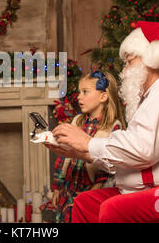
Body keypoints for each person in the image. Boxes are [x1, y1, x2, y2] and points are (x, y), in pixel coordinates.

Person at [48, 21, 159, 223]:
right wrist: (82, 152)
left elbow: (144, 149)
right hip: (154, 190)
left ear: (152, 58)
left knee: (114, 208)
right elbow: (132, 157)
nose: (124, 71)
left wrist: (88, 143)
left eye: (129, 61)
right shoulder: (152, 97)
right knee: (86, 202)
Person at [51, 71, 126, 222]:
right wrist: (57, 188)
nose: (79, 97)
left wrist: (93, 192)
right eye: (79, 92)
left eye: (85, 92)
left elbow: (107, 164)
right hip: (69, 187)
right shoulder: (77, 121)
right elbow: (63, 156)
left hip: (91, 190)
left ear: (103, 96)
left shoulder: (112, 127)